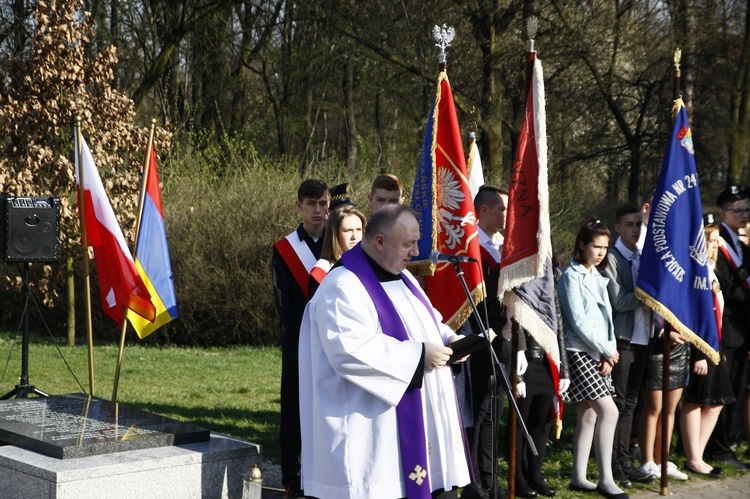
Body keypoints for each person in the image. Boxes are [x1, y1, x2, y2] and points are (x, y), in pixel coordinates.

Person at [298, 204, 471, 499]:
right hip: (369, 436)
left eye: (416, 242)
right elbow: (350, 350)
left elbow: (425, 321)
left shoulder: (403, 277)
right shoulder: (342, 286)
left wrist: (449, 337)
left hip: (412, 425)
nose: (416, 252)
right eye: (408, 243)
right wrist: (417, 356)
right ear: (379, 242)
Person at [557, 217, 626, 499]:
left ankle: (578, 476)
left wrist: (609, 350)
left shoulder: (597, 275)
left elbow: (606, 318)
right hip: (579, 350)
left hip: (599, 351)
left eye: (605, 248)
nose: (601, 253)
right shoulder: (571, 276)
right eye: (596, 246)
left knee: (588, 413)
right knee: (609, 411)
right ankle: (606, 479)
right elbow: (578, 321)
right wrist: (607, 350)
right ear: (582, 245)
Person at [271, 178, 329, 497]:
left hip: (335, 340)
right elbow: (283, 300)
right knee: (293, 405)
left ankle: (323, 469)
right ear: (300, 206)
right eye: (311, 204)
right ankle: (291, 475)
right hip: (298, 337)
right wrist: (305, 335)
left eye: (323, 204)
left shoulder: (339, 244)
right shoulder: (285, 248)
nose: (318, 210)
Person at [465, 185, 517, 499]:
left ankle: (489, 478)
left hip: (502, 337)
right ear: (484, 211)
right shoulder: (473, 249)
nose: (508, 215)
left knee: (493, 411)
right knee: (480, 411)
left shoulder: (499, 247)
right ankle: (474, 482)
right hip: (482, 337)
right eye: (503, 209)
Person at [600, 205, 656, 487]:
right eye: (629, 225)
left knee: (632, 402)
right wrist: (645, 293)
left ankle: (624, 460)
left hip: (644, 338)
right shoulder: (612, 258)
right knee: (620, 403)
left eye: (638, 224)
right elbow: (618, 302)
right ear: (618, 228)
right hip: (623, 340)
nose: (635, 229)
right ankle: (613, 464)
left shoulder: (642, 257)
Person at [679, 220, 733, 478]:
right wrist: (699, 353)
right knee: (696, 400)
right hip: (700, 346)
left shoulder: (713, 271)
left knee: (716, 401)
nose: (714, 247)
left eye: (716, 242)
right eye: (710, 241)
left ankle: (698, 453)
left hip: (715, 344)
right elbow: (695, 315)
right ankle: (693, 457)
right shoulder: (694, 272)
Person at [706, 184, 750, 469]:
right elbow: (720, 283)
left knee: (736, 385)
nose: (744, 214)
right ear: (723, 213)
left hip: (742, 328)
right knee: (720, 389)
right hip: (725, 327)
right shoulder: (717, 242)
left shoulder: (742, 245)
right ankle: (717, 446)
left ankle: (730, 440)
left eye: (747, 209)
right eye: (738, 210)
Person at [308, 183, 366, 296]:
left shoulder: (367, 264)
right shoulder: (323, 270)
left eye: (359, 230)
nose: (355, 236)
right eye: (348, 230)